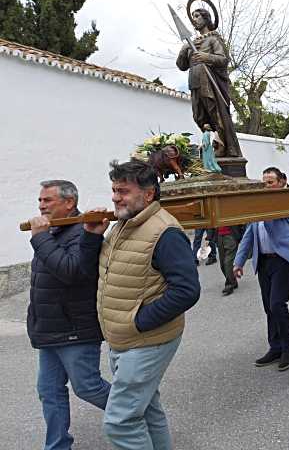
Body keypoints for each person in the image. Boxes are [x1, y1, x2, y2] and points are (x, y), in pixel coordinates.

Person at [81, 159, 200, 448]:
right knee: (146, 410)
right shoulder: (122, 224)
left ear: (148, 195)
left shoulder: (165, 232)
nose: (115, 197)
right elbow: (94, 272)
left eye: (123, 191)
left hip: (147, 339)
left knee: (120, 422)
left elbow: (187, 290)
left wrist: (138, 320)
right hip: (124, 339)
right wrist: (90, 236)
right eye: (113, 190)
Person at [27, 180, 111, 450]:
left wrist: (39, 238)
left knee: (88, 387)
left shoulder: (82, 232)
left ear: (69, 203)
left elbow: (70, 271)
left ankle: (140, 412)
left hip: (75, 328)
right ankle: (58, 446)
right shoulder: (51, 232)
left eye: (47, 200)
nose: (41, 206)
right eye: (40, 201)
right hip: (49, 329)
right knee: (49, 392)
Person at [233, 167, 289, 371]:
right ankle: (275, 347)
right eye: (264, 182)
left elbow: (277, 222)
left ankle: (288, 347)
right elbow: (249, 235)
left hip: (283, 260)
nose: (266, 185)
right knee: (268, 307)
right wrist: (238, 262)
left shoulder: (288, 202)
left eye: (270, 182)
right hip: (264, 262)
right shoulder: (258, 205)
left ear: (282, 182)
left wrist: (260, 208)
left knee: (277, 304)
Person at [175, 8, 242, 157]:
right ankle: (209, 143)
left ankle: (222, 144)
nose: (195, 19)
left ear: (206, 19)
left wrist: (206, 56)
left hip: (209, 80)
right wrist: (184, 49)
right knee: (198, 115)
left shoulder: (213, 39)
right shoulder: (190, 44)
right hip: (194, 80)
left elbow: (223, 60)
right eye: (193, 17)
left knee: (214, 112)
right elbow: (181, 66)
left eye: (197, 16)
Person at [215, 225, 244, 296]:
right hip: (219, 236)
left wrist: (240, 235)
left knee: (228, 263)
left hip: (231, 235)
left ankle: (229, 284)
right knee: (222, 265)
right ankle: (233, 281)